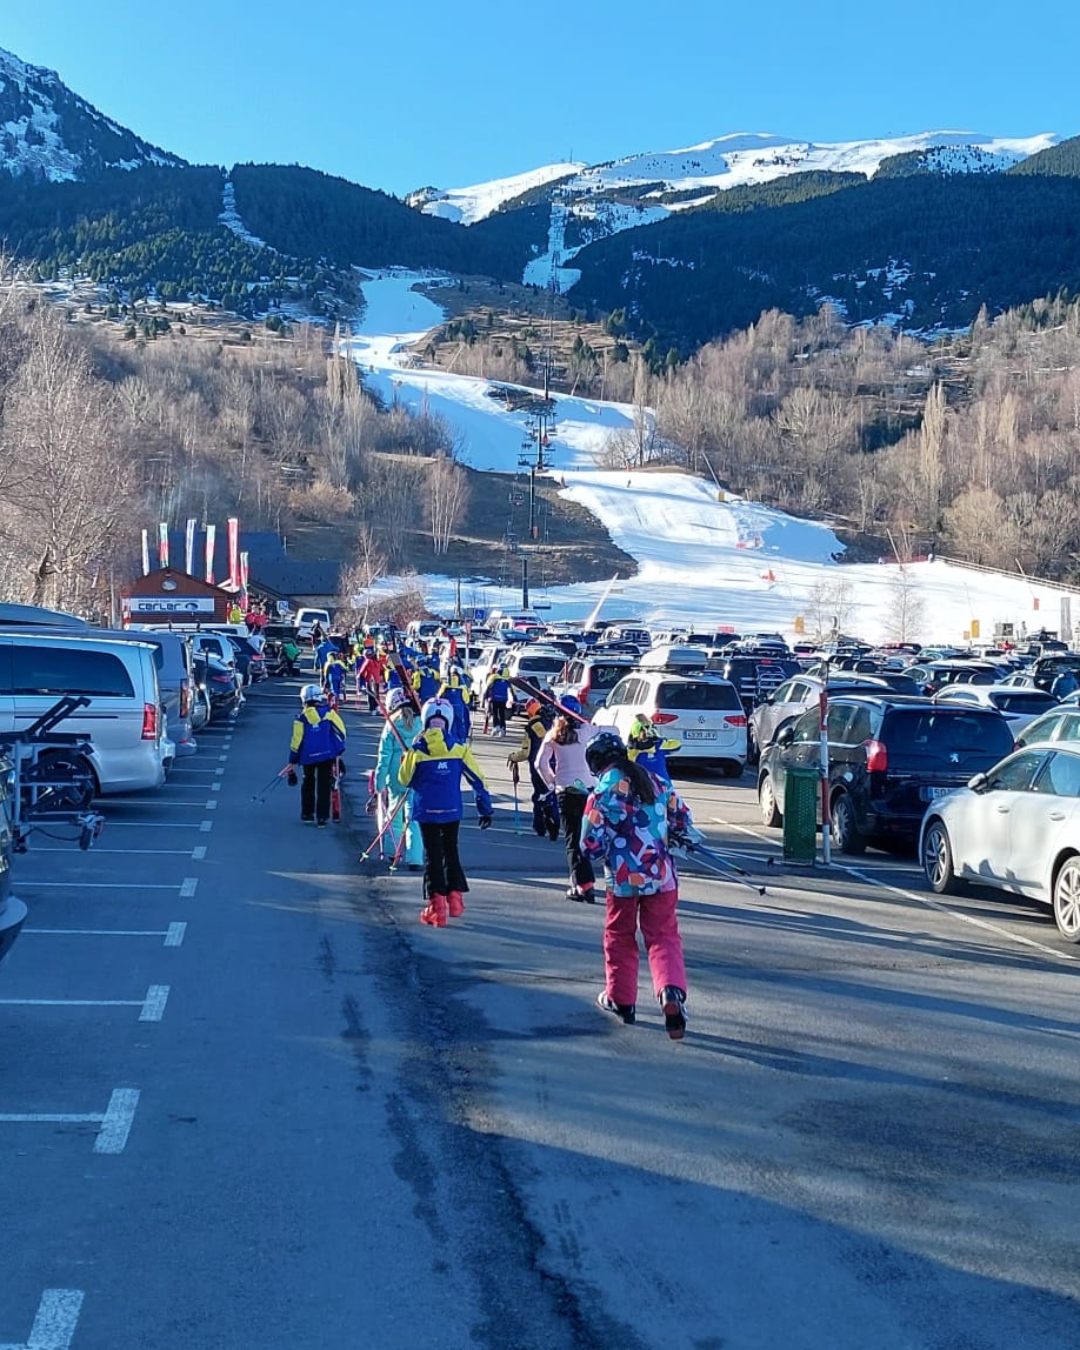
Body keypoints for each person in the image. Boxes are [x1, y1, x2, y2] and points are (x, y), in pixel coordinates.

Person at [580, 730, 693, 1040]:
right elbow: (682, 818)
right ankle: (670, 991)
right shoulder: (653, 779)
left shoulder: (602, 792)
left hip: (622, 880)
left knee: (619, 937)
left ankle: (621, 999)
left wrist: (607, 849)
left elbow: (588, 845)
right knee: (664, 936)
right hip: (662, 876)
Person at [398, 697, 493, 927]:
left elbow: (404, 780)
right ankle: (456, 900)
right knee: (451, 851)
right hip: (451, 809)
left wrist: (407, 759)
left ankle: (436, 907)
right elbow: (478, 779)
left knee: (432, 855)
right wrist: (485, 808)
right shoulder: (459, 749)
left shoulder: (417, 750)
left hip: (426, 809)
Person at [537, 696, 599, 902]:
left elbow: (540, 764)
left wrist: (552, 782)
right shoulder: (587, 731)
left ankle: (582, 885)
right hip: (589, 791)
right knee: (587, 836)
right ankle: (586, 882)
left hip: (565, 791)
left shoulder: (553, 735)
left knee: (573, 839)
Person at [374, 687, 424, 871]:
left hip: (395, 774)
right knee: (414, 818)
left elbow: (383, 756)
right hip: (415, 773)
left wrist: (379, 783)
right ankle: (415, 857)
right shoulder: (420, 722)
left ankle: (391, 851)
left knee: (393, 815)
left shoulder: (391, 724)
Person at [288, 684, 347, 827]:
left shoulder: (301, 719)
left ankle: (307, 814)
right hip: (327, 755)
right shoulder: (329, 713)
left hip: (307, 757)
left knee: (308, 781)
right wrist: (338, 750)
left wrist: (293, 759)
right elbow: (341, 732)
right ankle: (322, 818)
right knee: (324, 785)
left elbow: (296, 741)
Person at [508, 698, 560, 839]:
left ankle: (540, 826)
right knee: (552, 794)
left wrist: (513, 757)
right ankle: (555, 823)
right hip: (556, 763)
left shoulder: (531, 726)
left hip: (538, 766)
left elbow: (526, 752)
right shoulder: (553, 723)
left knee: (539, 795)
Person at [627, 713, 681, 784]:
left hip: (644, 787)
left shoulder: (633, 751)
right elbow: (677, 745)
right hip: (662, 786)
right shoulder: (660, 744)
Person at [438, 664, 472, 742]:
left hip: (448, 708)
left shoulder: (446, 683)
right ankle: (461, 741)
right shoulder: (462, 686)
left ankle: (450, 741)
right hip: (459, 708)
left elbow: (439, 696)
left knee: (449, 725)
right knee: (460, 724)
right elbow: (466, 700)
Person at [484, 665, 511, 738]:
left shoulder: (494, 678)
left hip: (494, 699)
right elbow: (512, 691)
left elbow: (488, 687)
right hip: (503, 700)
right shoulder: (507, 681)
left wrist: (485, 697)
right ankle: (503, 729)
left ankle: (496, 726)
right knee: (502, 714)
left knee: (495, 713)